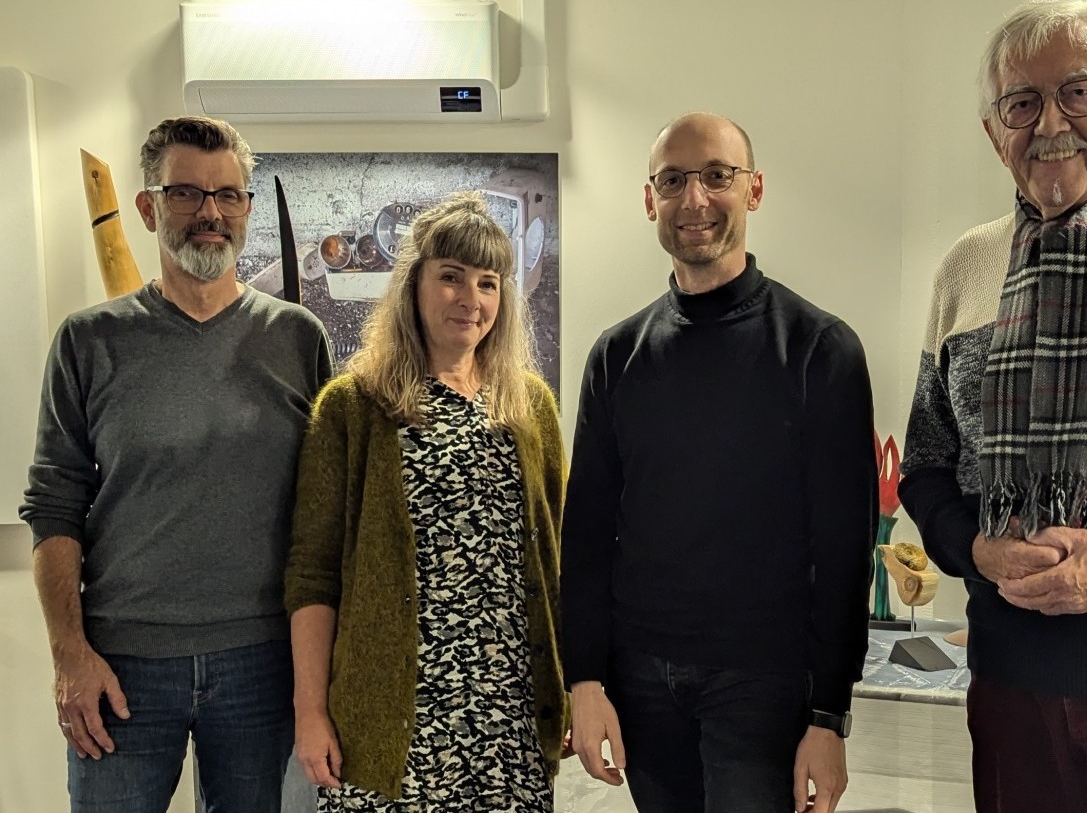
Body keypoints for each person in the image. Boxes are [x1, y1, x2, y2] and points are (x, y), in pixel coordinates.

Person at [900, 0, 1087, 813]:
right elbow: (925, 467)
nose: (1048, 124)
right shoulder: (966, 268)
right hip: (1013, 686)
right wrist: (977, 552)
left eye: (1079, 91)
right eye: (1021, 104)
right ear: (995, 133)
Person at [561, 112, 877, 813]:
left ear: (754, 190)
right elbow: (584, 533)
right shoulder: (617, 356)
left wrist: (829, 717)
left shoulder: (821, 351)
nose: (695, 199)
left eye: (717, 176)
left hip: (764, 686)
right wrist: (584, 680)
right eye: (673, 180)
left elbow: (845, 550)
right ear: (650, 201)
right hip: (642, 683)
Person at [19, 116, 333, 812]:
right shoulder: (89, 342)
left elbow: (326, 510)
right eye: (187, 193)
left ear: (247, 207)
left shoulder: (297, 339)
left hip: (263, 664)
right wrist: (70, 655)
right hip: (122, 665)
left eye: (228, 195)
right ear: (147, 206)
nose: (210, 213)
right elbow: (53, 506)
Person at [285, 192, 568, 812]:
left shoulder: (530, 408)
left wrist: (570, 686)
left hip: (507, 720)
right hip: (393, 722)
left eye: (489, 282)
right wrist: (311, 713)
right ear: (412, 285)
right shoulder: (352, 407)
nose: (471, 298)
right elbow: (312, 574)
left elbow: (555, 565)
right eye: (451, 277)